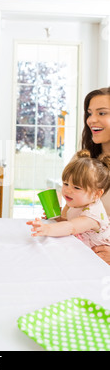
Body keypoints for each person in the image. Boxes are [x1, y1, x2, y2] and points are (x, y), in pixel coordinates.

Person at [27, 150, 110, 253]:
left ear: (96, 194)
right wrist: (58, 219)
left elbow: (71, 227)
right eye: (66, 184)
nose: (67, 190)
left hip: (100, 256)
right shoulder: (75, 202)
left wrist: (47, 228)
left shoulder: (92, 215)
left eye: (76, 187)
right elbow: (68, 222)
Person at [81, 87, 110, 264]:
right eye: (90, 113)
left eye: (102, 113)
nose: (92, 120)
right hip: (85, 256)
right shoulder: (86, 161)